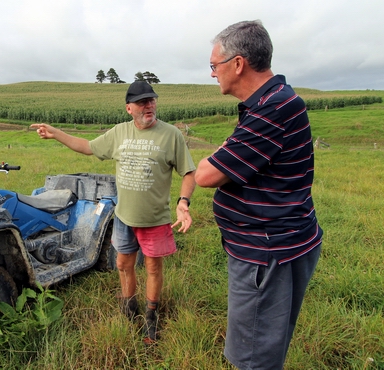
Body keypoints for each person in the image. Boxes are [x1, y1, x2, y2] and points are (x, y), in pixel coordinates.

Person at [195, 20, 323, 369]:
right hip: (278, 244)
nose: (212, 74)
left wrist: (217, 155)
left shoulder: (271, 109)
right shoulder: (272, 101)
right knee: (266, 346)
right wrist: (223, 153)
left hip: (267, 254)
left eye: (214, 65)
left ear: (238, 64)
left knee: (253, 358)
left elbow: (206, 174)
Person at [31, 81, 196, 344]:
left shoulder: (170, 135)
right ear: (129, 108)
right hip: (123, 217)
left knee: (153, 268)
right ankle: (130, 310)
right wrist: (56, 133)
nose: (149, 105)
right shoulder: (119, 133)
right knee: (122, 264)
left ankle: (151, 320)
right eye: (142, 102)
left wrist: (183, 202)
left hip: (154, 219)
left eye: (152, 100)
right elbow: (87, 146)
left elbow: (189, 172)